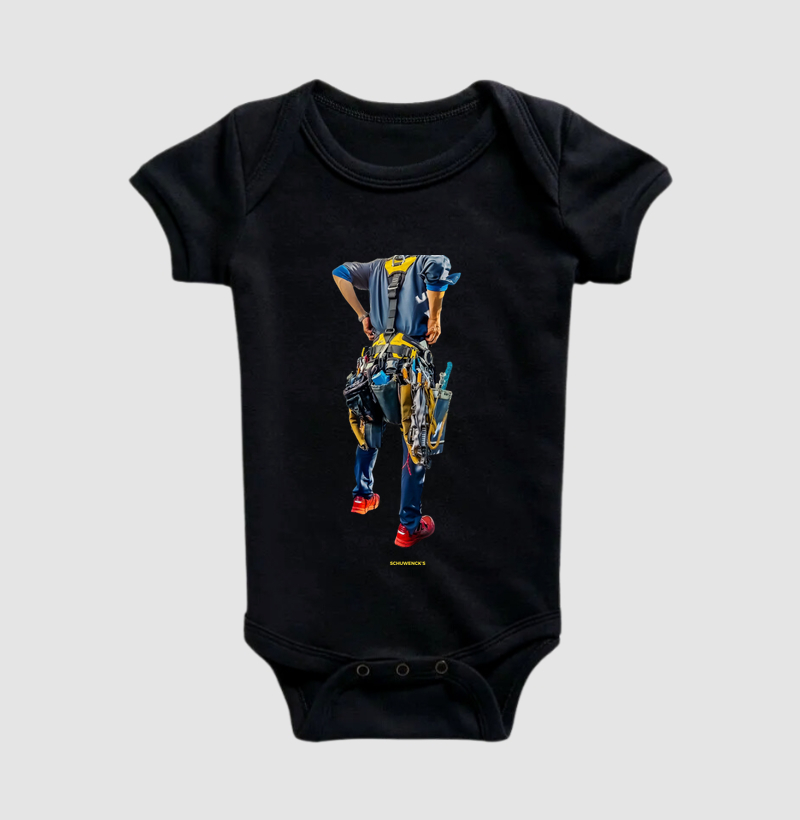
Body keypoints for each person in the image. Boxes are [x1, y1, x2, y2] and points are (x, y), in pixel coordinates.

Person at [332, 255, 460, 547]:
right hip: (409, 367)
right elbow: (438, 266)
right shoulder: (424, 263)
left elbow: (340, 273)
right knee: (415, 441)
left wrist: (363, 315)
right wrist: (435, 317)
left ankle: (362, 497)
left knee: (368, 426)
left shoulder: (376, 268)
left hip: (373, 364)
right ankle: (408, 526)